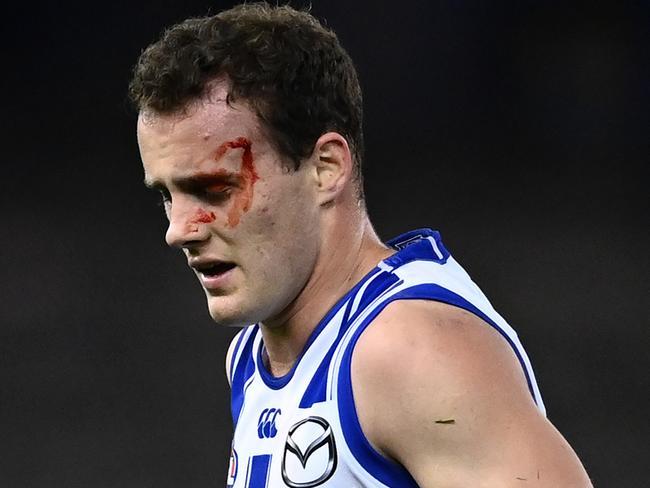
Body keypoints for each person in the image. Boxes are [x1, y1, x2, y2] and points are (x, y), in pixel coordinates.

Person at [129, 3, 592, 487]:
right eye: (166, 194)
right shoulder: (252, 356)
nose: (178, 229)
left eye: (215, 189)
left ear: (326, 167)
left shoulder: (411, 350)